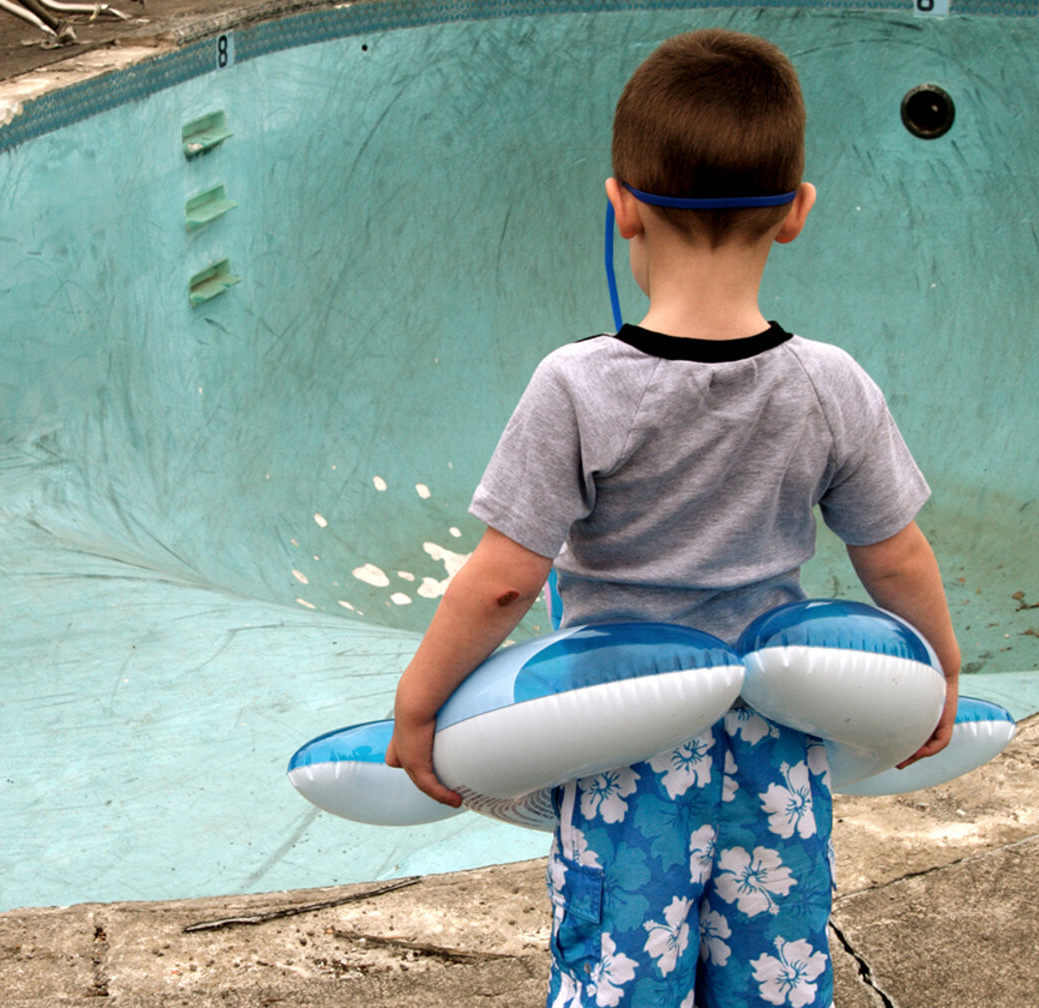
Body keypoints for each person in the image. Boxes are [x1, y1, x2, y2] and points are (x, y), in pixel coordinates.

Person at [384, 28, 961, 1008]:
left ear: (621, 209)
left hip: (624, 748)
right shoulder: (830, 386)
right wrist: (937, 675)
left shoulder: (575, 389)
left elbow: (504, 579)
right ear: (795, 215)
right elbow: (895, 558)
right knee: (773, 974)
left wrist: (418, 705)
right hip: (778, 742)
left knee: (622, 978)